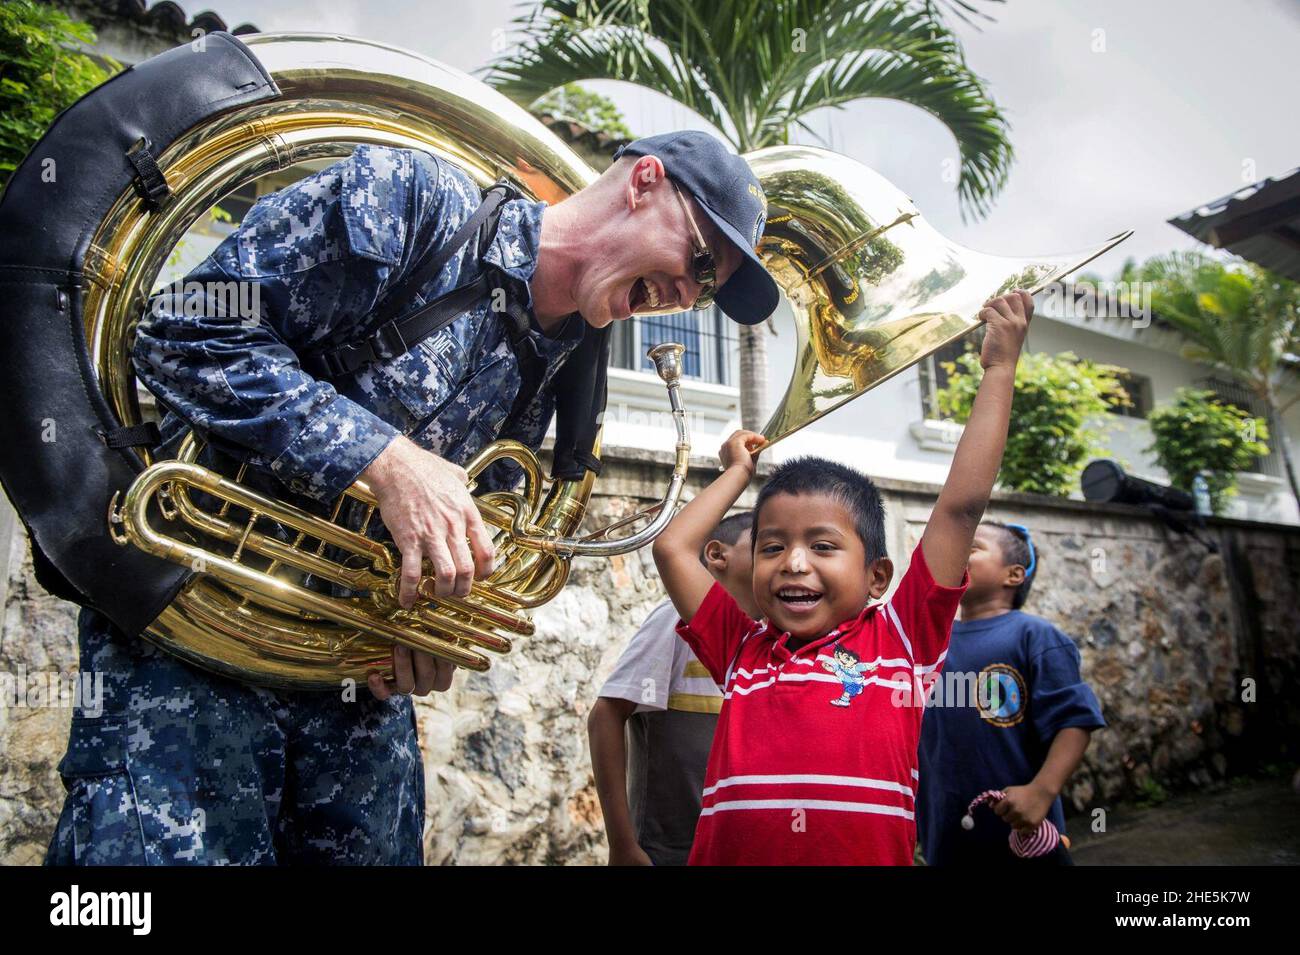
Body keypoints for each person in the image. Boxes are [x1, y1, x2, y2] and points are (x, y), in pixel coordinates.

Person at [47, 128, 780, 865]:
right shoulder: (412, 199)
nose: (689, 293)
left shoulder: (568, 358)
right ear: (644, 180)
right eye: (699, 258)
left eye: (708, 287)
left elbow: (474, 524)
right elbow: (183, 322)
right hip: (187, 655)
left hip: (347, 689)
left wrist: (426, 623)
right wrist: (384, 459)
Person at [651, 290, 1035, 865]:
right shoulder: (741, 652)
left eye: (823, 546)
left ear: (878, 576)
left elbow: (960, 507)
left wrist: (999, 368)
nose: (794, 563)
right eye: (772, 546)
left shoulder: (902, 640)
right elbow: (673, 547)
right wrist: (738, 473)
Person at [917, 521, 1106, 866]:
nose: (956, 552)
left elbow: (1076, 721)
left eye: (972, 548)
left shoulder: (1035, 637)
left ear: (1014, 575)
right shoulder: (930, 644)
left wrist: (1041, 792)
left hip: (1022, 835)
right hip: (945, 839)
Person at [589, 511, 756, 866]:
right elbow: (606, 714)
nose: (786, 559)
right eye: (768, 546)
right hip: (670, 852)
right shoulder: (676, 620)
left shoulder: (771, 635)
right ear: (717, 555)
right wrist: (622, 844)